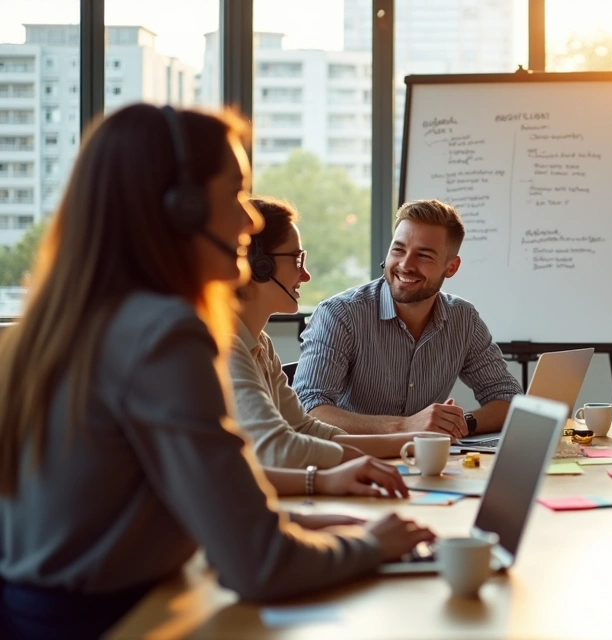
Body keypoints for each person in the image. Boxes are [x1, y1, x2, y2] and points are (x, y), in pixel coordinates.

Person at [0, 104, 433, 639]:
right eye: (233, 193)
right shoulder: (162, 334)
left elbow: (191, 504)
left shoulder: (70, 322)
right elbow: (259, 565)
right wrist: (372, 545)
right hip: (118, 621)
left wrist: (308, 522)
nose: (249, 220)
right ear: (179, 209)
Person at [293, 199, 521, 438]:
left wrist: (457, 424)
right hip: (352, 463)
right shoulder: (340, 315)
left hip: (427, 464)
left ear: (451, 268)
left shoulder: (463, 319)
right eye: (398, 250)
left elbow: (508, 398)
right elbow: (308, 410)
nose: (405, 265)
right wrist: (405, 426)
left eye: (423, 255)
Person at [230, 196, 421, 467]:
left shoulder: (260, 344)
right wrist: (355, 461)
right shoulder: (226, 346)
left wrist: (417, 444)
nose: (306, 275)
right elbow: (277, 450)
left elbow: (305, 429)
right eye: (297, 259)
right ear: (260, 265)